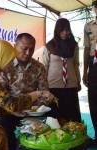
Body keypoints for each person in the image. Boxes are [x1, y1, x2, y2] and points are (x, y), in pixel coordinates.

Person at [0, 33, 57, 150]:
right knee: (4, 129)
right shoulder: (5, 67)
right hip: (10, 111)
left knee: (54, 115)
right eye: (24, 48)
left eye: (31, 49)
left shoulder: (39, 67)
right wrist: (15, 107)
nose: (28, 53)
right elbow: (1, 96)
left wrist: (39, 105)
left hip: (33, 112)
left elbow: (43, 92)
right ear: (15, 46)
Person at [42, 18, 81, 122]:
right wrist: (43, 86)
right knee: (56, 119)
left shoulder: (74, 45)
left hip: (71, 86)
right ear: (57, 30)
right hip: (53, 87)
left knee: (72, 117)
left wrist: (78, 81)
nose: (65, 32)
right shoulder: (49, 46)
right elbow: (44, 66)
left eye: (67, 30)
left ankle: (75, 137)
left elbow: (75, 64)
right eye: (62, 30)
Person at [83, 0, 97, 143]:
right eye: (95, 6)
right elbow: (87, 49)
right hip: (94, 65)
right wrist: (84, 71)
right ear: (93, 9)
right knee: (93, 100)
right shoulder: (88, 26)